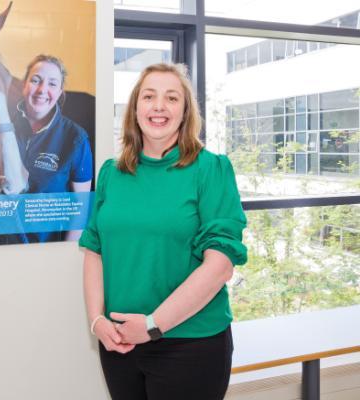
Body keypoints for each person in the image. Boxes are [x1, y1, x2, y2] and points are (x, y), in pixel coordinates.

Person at [79, 63, 247, 399]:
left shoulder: (210, 169)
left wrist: (153, 326)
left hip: (190, 346)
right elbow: (94, 250)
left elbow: (220, 266)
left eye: (171, 98)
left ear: (185, 112)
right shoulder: (112, 173)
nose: (158, 106)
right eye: (149, 96)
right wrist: (97, 320)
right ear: (135, 108)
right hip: (120, 345)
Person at [13, 54, 93, 242]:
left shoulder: (76, 139)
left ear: (59, 92)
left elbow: (80, 211)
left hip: (45, 251)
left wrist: (64, 254)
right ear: (24, 85)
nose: (42, 90)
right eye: (35, 80)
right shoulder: (1, 129)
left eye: (52, 84)